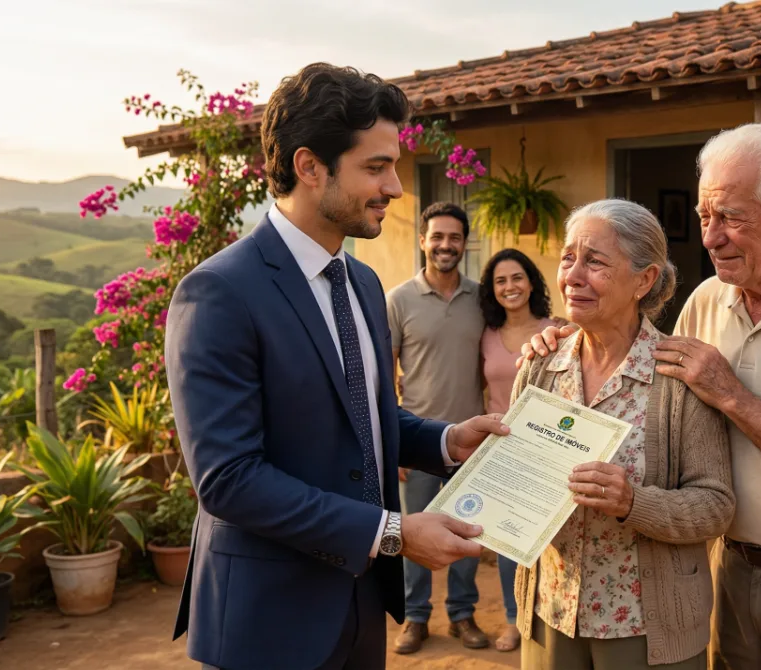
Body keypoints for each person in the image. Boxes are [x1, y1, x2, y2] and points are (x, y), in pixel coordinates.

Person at [164, 62, 509, 670]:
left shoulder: (364, 283)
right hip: (267, 622)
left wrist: (450, 440)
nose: (397, 188)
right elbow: (228, 480)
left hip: (357, 607)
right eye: (376, 167)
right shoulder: (219, 291)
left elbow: (366, 417)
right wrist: (395, 533)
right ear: (309, 166)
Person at [522, 124, 761, 670]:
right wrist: (568, 332)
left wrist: (732, 395)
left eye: (731, 217)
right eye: (704, 217)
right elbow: (633, 351)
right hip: (729, 570)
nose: (710, 237)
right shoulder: (707, 300)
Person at [511, 199, 735, 670]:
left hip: (646, 629)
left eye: (595, 261)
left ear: (644, 279)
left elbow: (715, 505)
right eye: (568, 257)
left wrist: (633, 503)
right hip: (550, 610)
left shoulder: (680, 378)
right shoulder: (540, 366)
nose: (573, 275)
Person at [386, 201, 489, 654]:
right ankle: (415, 617)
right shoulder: (399, 299)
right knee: (414, 535)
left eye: (455, 237)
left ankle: (463, 615)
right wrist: (393, 445)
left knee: (468, 533)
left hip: (473, 446)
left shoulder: (481, 299)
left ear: (464, 243)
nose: (446, 245)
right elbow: (382, 372)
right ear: (423, 240)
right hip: (418, 444)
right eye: (438, 236)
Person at [476, 248, 563, 652]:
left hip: (548, 449)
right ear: (492, 291)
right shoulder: (486, 335)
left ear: (531, 282)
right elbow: (482, 389)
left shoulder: (558, 330)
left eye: (516, 278)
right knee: (508, 540)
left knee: (550, 541)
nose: (509, 287)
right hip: (501, 449)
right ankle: (514, 620)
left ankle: (553, 615)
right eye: (500, 281)